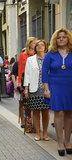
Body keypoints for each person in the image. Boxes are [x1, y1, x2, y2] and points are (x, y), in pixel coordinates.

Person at [42, 28, 72, 157]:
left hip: (70, 86)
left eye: (64, 37)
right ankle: (60, 143)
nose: (61, 39)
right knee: (59, 113)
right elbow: (44, 71)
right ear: (55, 39)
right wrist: (46, 89)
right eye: (59, 37)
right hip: (55, 86)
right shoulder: (50, 54)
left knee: (70, 114)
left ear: (68, 39)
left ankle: (68, 142)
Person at [24, 40, 50, 141]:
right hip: (34, 88)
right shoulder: (30, 59)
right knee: (35, 111)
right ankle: (38, 133)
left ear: (45, 47)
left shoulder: (49, 58)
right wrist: (26, 88)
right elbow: (27, 74)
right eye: (38, 45)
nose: (40, 46)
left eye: (42, 45)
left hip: (46, 88)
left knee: (46, 111)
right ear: (35, 48)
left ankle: (46, 133)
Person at [17, 37, 37, 133]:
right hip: (26, 80)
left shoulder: (37, 55)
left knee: (36, 104)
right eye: (34, 43)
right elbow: (20, 69)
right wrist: (20, 83)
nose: (35, 45)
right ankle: (28, 125)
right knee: (27, 104)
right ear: (30, 44)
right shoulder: (23, 55)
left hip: (36, 80)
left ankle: (36, 125)